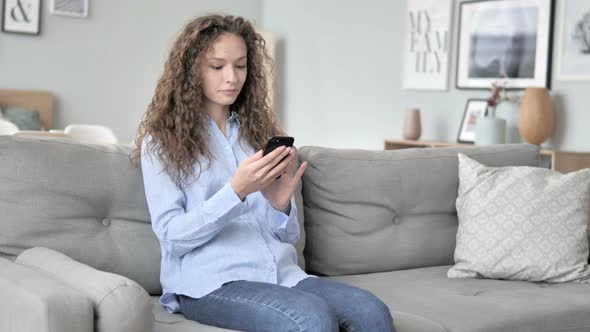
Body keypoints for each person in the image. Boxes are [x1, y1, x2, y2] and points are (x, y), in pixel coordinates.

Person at [131, 14, 396, 332]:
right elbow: (173, 239)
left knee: (372, 311)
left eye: (240, 66)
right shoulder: (160, 142)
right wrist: (236, 191)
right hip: (210, 284)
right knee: (311, 319)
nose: (232, 77)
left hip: (283, 277)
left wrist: (280, 205)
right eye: (217, 66)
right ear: (191, 70)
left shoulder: (258, 133)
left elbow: (286, 237)